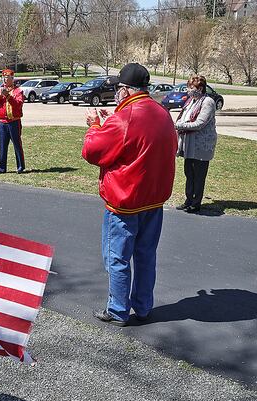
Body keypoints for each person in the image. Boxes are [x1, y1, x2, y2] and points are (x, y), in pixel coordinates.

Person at [81, 63, 177, 326]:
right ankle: (143, 306)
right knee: (146, 255)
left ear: (124, 90)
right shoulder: (162, 112)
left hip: (125, 200)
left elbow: (93, 151)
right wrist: (108, 122)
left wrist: (94, 126)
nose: (116, 94)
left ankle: (118, 309)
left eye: (117, 89)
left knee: (117, 258)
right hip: (154, 199)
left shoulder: (125, 117)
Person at [174, 75, 218, 213]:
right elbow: (185, 117)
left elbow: (199, 123)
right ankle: (188, 200)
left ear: (200, 88)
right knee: (189, 173)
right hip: (189, 145)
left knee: (198, 175)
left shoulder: (208, 102)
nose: (188, 90)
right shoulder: (191, 101)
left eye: (191, 87)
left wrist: (178, 125)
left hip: (201, 146)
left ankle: (196, 202)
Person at [0, 69, 25, 174]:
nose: (5, 80)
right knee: (3, 146)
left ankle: (20, 166)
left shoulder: (18, 91)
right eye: (4, 78)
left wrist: (8, 96)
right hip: (2, 123)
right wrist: (0, 96)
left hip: (14, 122)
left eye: (7, 78)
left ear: (12, 79)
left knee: (17, 145)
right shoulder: (0, 90)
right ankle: (2, 167)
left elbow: (18, 105)